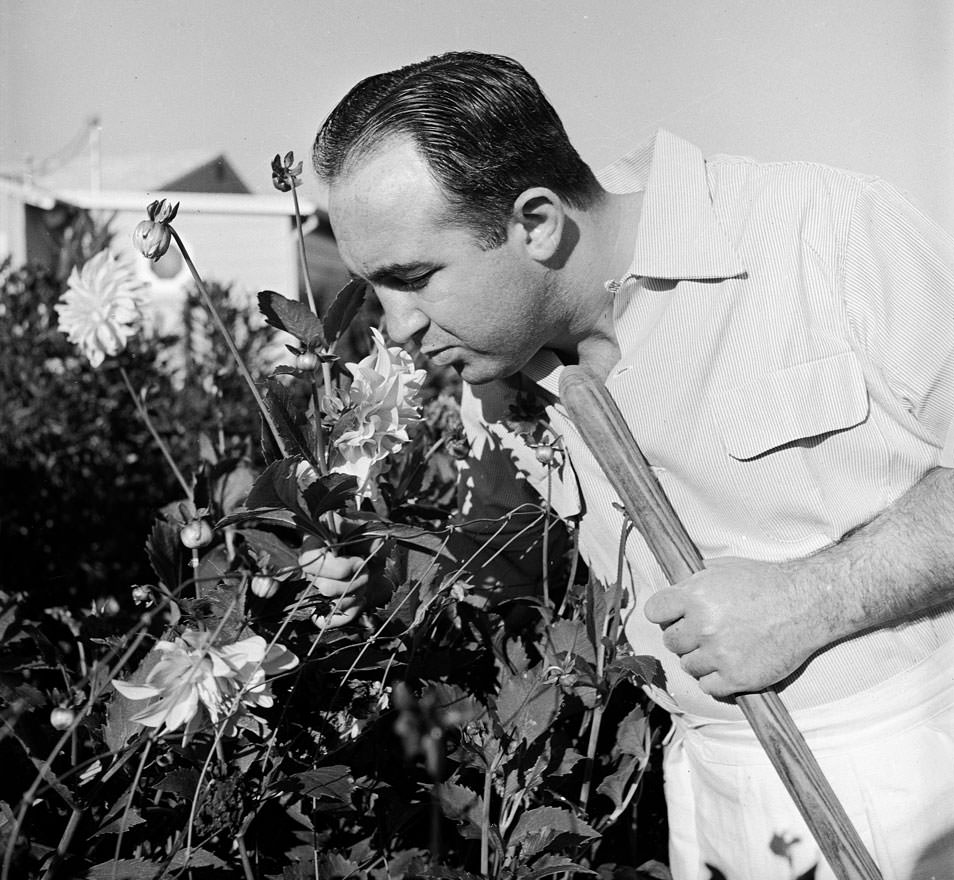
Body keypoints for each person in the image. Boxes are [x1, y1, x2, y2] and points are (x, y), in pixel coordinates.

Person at [309, 51, 954, 880]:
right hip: (709, 793)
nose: (394, 326)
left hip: (919, 769)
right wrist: (386, 577)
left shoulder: (823, 230)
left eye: (414, 279)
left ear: (537, 222)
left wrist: (812, 599)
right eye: (374, 287)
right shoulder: (499, 366)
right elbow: (522, 579)